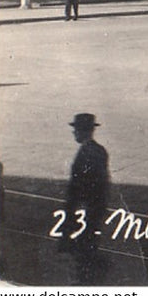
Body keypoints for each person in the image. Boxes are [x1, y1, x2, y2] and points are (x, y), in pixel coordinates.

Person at [61, 113, 108, 284]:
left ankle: (85, 281)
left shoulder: (86, 153)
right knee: (88, 245)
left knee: (82, 249)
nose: (74, 133)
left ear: (82, 131)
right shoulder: (100, 150)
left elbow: (81, 185)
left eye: (76, 130)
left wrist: (74, 210)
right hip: (94, 207)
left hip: (84, 208)